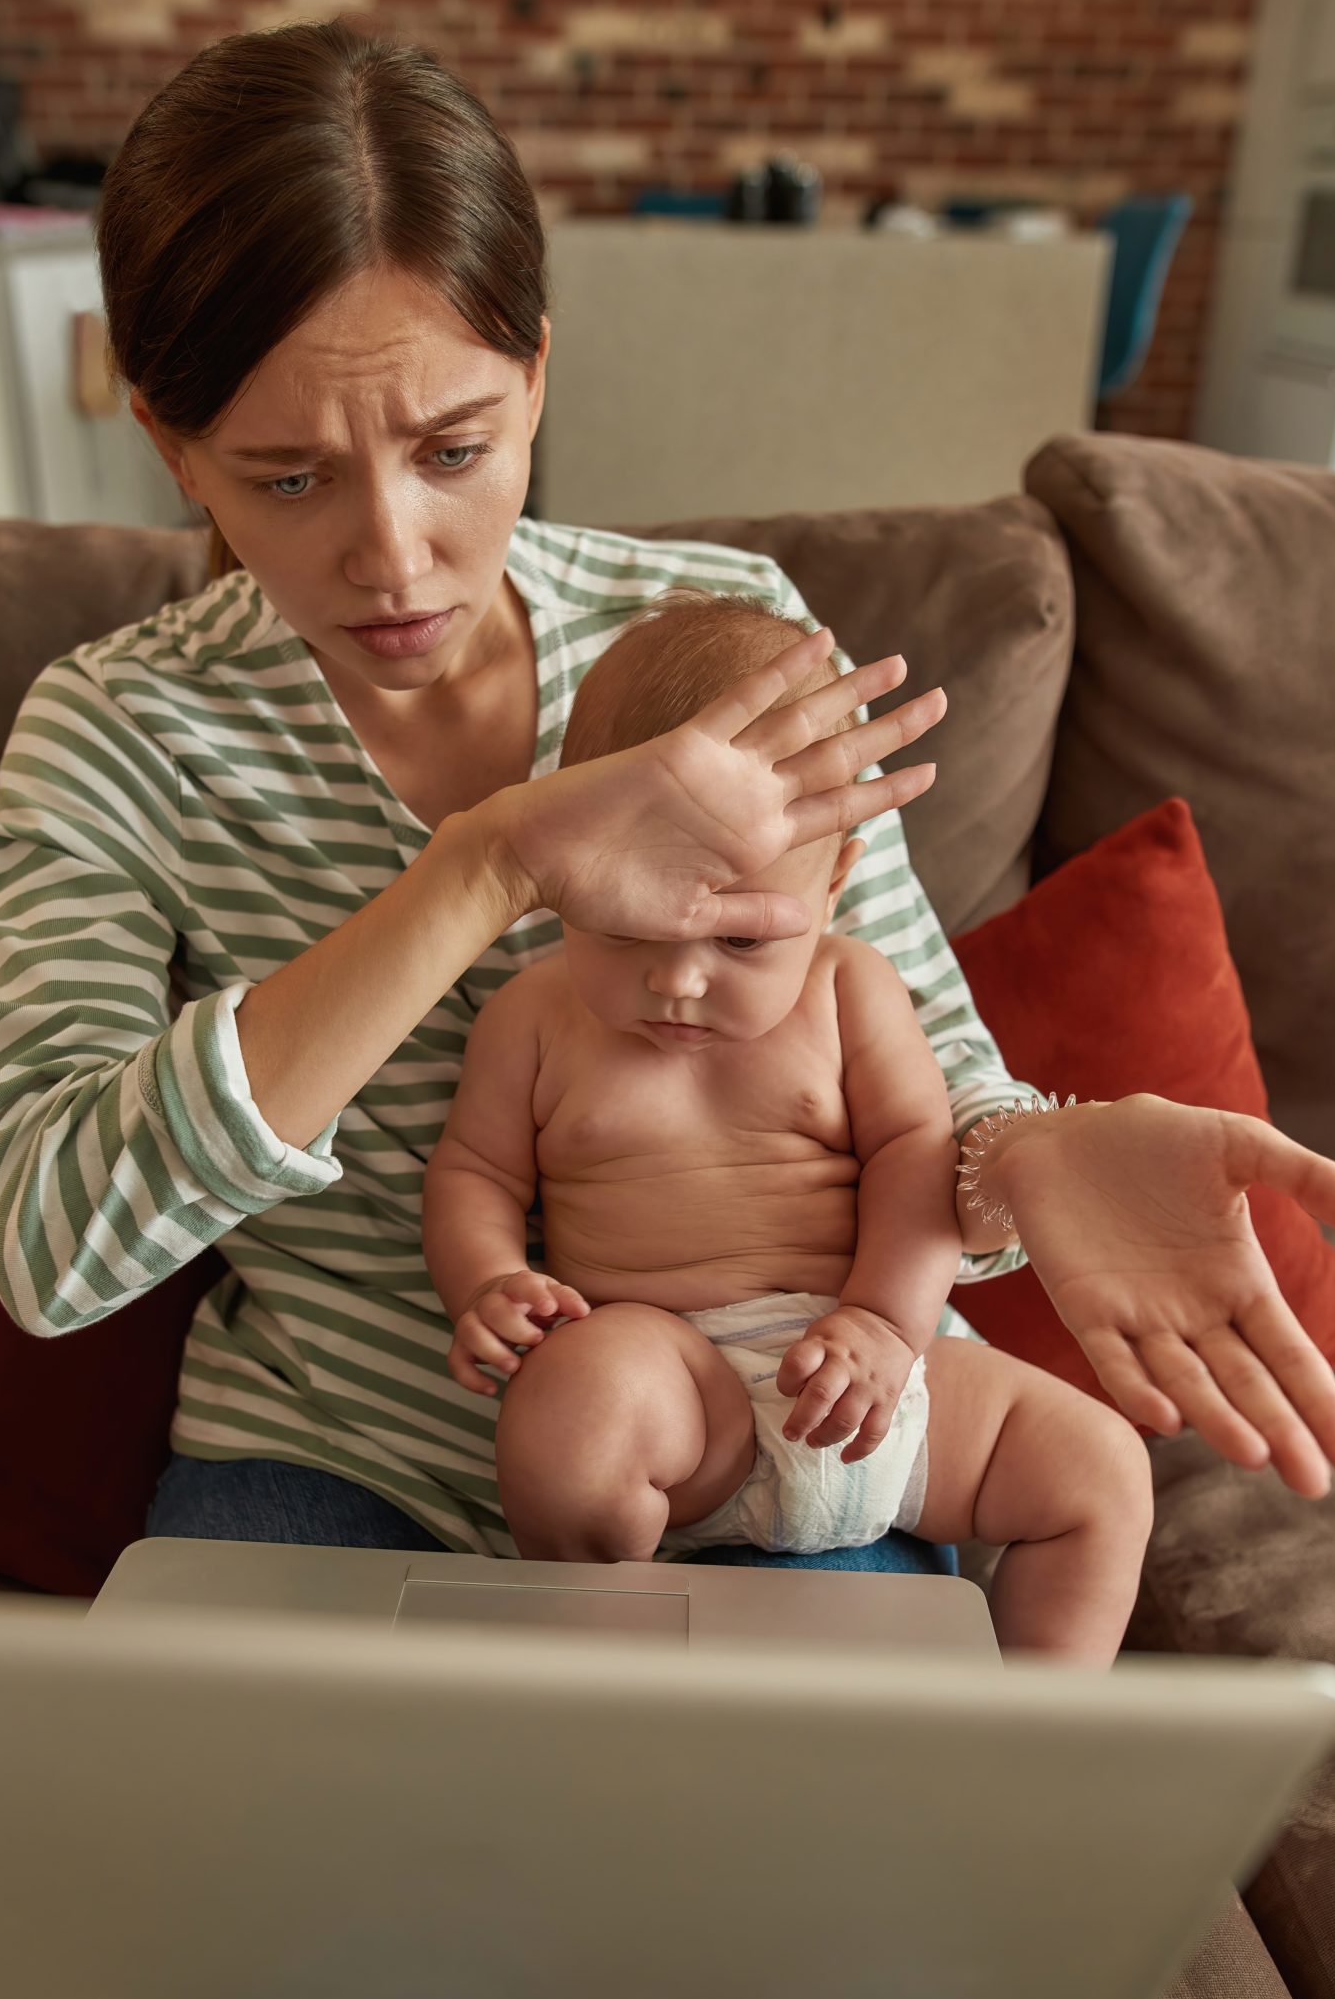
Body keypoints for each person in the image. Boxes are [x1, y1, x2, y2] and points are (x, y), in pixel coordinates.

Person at [0, 19, 1335, 1999]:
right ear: (161, 428)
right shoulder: (115, 739)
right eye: (283, 473)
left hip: (757, 1486)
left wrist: (1041, 1151)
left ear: (539, 360)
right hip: (332, 1487)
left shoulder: (716, 630)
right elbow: (33, 1227)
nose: (390, 553)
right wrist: (480, 863)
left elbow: (914, 1088)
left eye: (455, 446)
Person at [423, 589, 1152, 1663]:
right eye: (626, 926)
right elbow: (472, 1171)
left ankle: (1032, 1733)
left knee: (1102, 1469)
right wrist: (486, 1282)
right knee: (569, 1407)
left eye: (741, 941)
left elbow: (916, 1148)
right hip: (678, 1398)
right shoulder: (531, 1018)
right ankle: (595, 1639)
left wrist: (884, 1323)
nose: (677, 978)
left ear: (835, 877)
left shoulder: (852, 991)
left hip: (876, 1381)